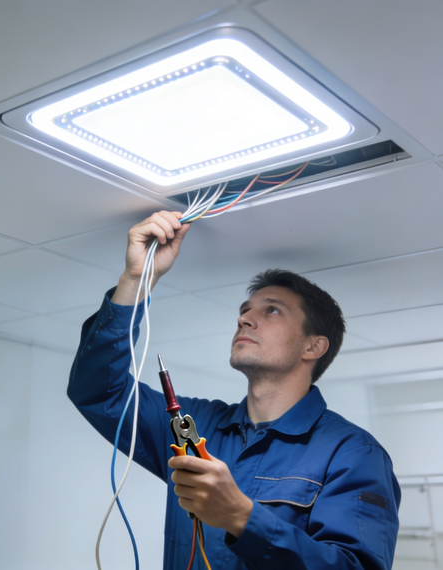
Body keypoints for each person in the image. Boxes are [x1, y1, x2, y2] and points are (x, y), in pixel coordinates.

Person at [67, 211, 400, 569]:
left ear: (313, 347)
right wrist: (136, 278)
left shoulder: (353, 454)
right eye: (245, 310)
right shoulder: (192, 427)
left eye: (272, 311)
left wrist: (243, 519)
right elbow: (98, 390)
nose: (244, 318)